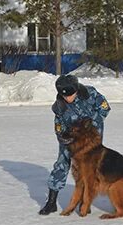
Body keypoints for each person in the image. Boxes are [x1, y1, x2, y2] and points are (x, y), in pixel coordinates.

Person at [38, 74, 111, 215]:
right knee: (61, 164)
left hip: (91, 139)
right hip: (71, 140)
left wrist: (91, 125)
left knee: (90, 168)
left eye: (70, 94)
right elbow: (58, 126)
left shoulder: (90, 94)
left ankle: (86, 201)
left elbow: (105, 108)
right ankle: (51, 202)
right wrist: (62, 138)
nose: (68, 98)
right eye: (64, 95)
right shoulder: (59, 106)